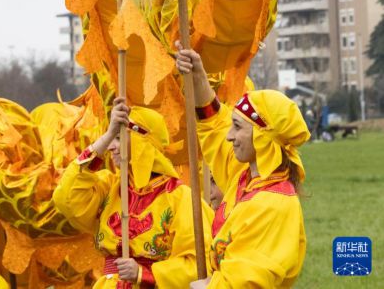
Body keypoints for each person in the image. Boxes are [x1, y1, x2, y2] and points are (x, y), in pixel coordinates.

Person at [176, 44, 310, 288]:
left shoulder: (272, 204)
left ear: (261, 136)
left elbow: (247, 280)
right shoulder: (246, 178)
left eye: (237, 127)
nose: (229, 136)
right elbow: (215, 126)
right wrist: (198, 76)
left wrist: (209, 286)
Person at [53, 97, 213, 288]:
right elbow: (66, 199)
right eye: (111, 138)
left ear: (142, 142)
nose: (111, 146)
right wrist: (108, 135)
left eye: (119, 138)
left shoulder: (181, 198)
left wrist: (143, 273)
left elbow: (199, 266)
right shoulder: (110, 187)